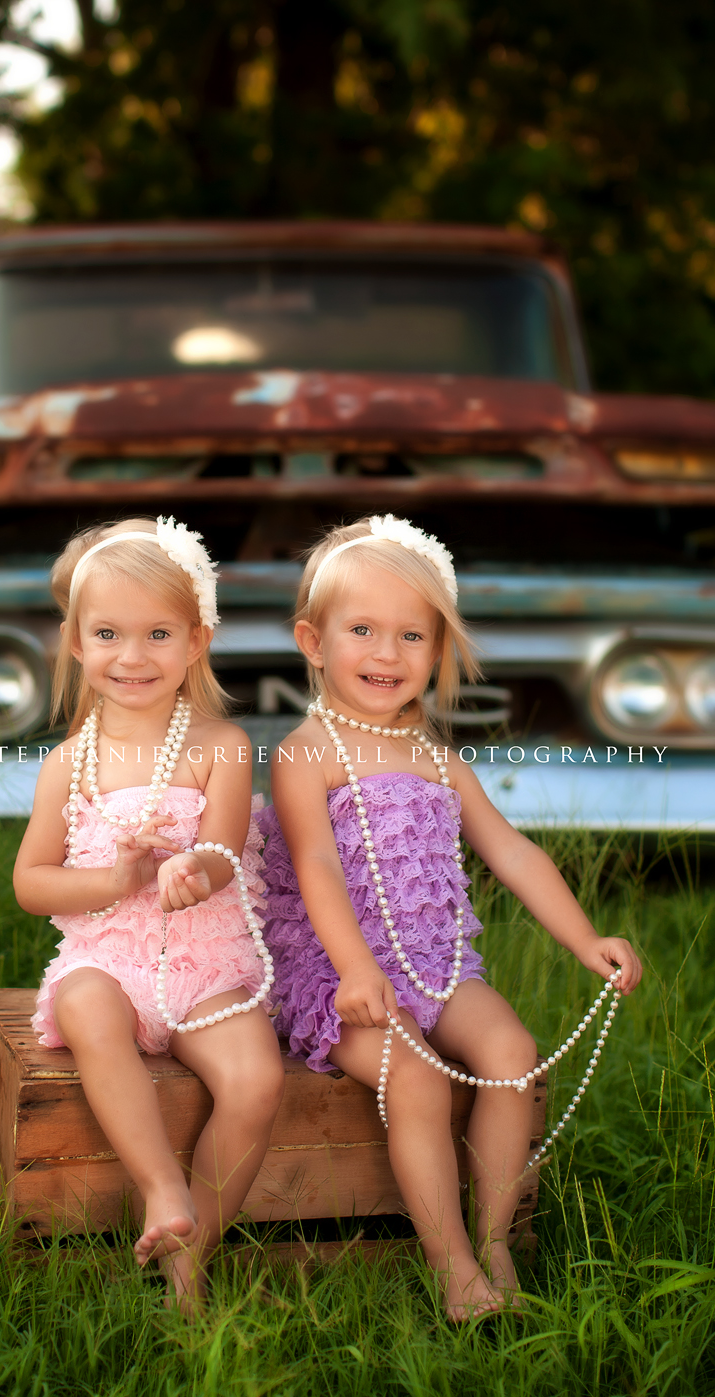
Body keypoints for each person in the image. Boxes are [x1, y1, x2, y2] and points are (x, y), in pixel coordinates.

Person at [261, 515, 642, 1321]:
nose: (386, 653)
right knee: (422, 1083)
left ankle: (495, 1234)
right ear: (313, 640)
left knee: (513, 1052)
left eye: (411, 635)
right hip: (340, 973)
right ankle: (453, 1265)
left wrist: (585, 939)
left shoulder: (440, 759)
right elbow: (317, 867)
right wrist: (359, 973)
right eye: (361, 629)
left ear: (436, 651)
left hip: (435, 964)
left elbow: (512, 853)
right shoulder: (308, 752)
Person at [14, 516, 284, 1307]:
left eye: (158, 633)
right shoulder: (68, 763)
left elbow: (226, 846)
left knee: (256, 1077)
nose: (132, 657)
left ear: (196, 641)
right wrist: (116, 879)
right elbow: (32, 883)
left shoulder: (220, 744)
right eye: (108, 634)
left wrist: (195, 871)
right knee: (88, 1006)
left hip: (203, 961)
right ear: (75, 641)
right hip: (111, 959)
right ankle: (163, 1188)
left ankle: (191, 1259)